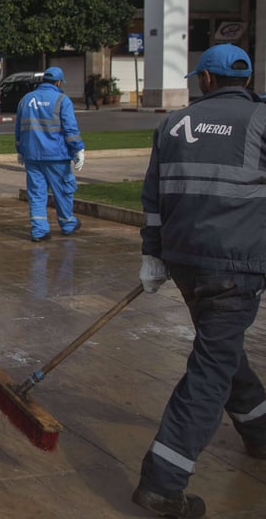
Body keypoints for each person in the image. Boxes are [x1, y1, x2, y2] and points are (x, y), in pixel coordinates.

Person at [132, 43, 266, 518]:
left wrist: (153, 255)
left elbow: (153, 195)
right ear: (244, 81)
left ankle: (258, 429)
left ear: (205, 80)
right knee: (211, 368)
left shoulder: (173, 124)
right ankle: (163, 483)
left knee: (221, 348)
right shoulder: (261, 121)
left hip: (184, 264)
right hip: (235, 270)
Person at [14, 66, 84, 242]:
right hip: (56, 156)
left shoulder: (26, 100)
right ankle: (67, 224)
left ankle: (39, 231)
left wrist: (20, 151)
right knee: (63, 191)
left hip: (32, 155)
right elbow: (70, 129)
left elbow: (19, 130)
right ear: (59, 82)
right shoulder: (62, 100)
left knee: (37, 193)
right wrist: (78, 149)